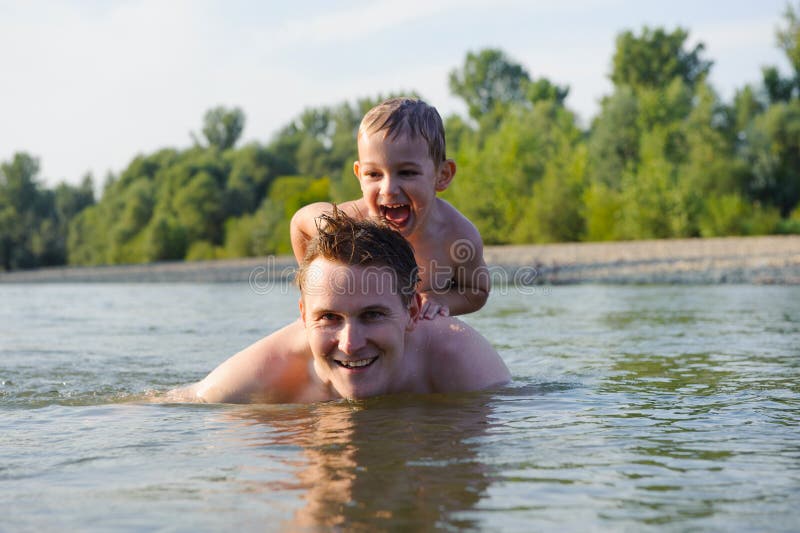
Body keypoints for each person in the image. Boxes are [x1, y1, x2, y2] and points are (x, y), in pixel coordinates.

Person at [171, 211, 510, 404]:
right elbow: (168, 406)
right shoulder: (257, 380)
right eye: (329, 317)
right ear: (304, 316)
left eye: (372, 315)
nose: (350, 343)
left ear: (412, 312)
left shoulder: (461, 362)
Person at [291, 97, 489, 319]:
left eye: (407, 173)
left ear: (442, 175)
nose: (389, 189)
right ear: (359, 175)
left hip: (420, 331)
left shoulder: (456, 235)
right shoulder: (351, 224)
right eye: (374, 174)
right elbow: (300, 223)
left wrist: (439, 298)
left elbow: (477, 291)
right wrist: (314, 290)